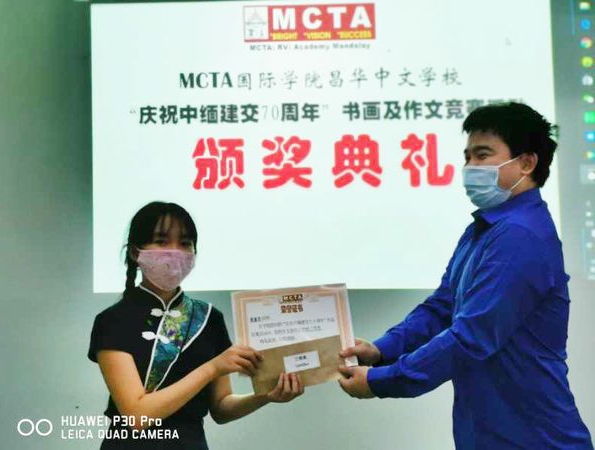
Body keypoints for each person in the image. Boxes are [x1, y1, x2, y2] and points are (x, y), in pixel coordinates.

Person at [337, 103, 593, 449]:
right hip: (490, 434)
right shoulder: (484, 229)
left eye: (482, 155)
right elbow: (441, 308)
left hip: (534, 437)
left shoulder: (520, 235)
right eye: (467, 157)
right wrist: (381, 350)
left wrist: (382, 380)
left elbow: (471, 337)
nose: (470, 167)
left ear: (527, 163)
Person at [88, 202, 303, 449]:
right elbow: (137, 416)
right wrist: (212, 368)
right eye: (161, 241)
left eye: (185, 243)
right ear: (136, 253)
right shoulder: (113, 320)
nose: (175, 252)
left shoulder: (209, 317)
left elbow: (221, 407)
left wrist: (265, 396)